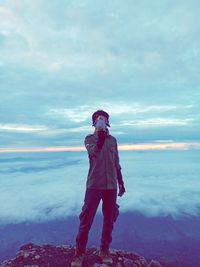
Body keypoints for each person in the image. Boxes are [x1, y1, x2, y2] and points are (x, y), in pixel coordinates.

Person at [71, 110, 125, 267]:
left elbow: (116, 162)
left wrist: (121, 182)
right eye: (97, 119)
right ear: (93, 123)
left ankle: (104, 250)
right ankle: (79, 254)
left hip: (111, 186)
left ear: (108, 122)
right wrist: (100, 138)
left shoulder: (113, 141)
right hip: (94, 185)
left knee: (109, 220)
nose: (100, 120)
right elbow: (93, 154)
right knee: (86, 220)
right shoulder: (89, 139)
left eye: (103, 118)